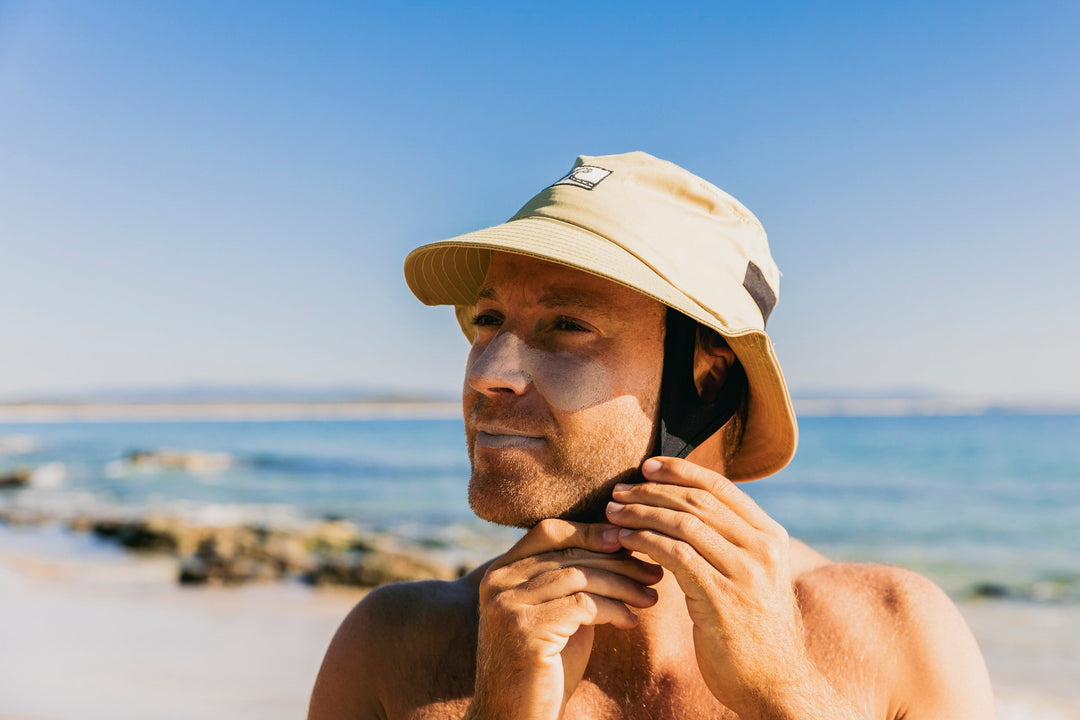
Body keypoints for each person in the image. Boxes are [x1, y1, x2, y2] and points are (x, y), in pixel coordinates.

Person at [308, 152, 995, 719]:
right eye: (488, 320)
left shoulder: (895, 631)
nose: (488, 372)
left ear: (705, 377)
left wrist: (788, 694)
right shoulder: (394, 647)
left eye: (567, 327)